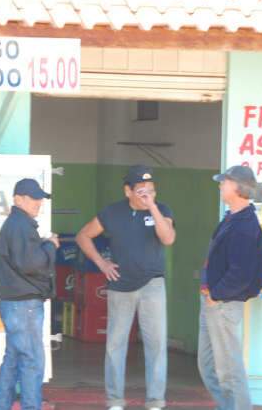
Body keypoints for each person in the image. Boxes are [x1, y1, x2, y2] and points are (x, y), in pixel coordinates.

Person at [76, 165, 176, 410]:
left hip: (152, 284)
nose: (147, 194)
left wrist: (152, 206)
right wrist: (101, 262)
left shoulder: (161, 209)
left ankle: (155, 401)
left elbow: (168, 238)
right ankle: (115, 401)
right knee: (115, 345)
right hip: (120, 286)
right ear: (128, 191)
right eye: (141, 191)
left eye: (151, 190)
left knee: (156, 344)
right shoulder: (112, 212)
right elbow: (83, 236)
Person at [198, 165, 262, 410]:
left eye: (224, 182)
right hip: (213, 301)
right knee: (207, 366)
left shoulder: (245, 226)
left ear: (237, 188)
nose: (220, 185)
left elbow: (241, 273)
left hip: (222, 304)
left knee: (228, 369)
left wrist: (216, 295)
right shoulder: (232, 218)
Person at [0, 178, 59, 410]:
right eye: (33, 198)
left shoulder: (17, 224)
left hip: (14, 304)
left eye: (40, 198)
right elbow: (32, 263)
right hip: (24, 306)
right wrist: (50, 245)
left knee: (13, 360)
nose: (38, 202)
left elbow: (23, 259)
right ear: (17, 199)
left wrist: (42, 243)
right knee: (31, 361)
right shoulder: (20, 225)